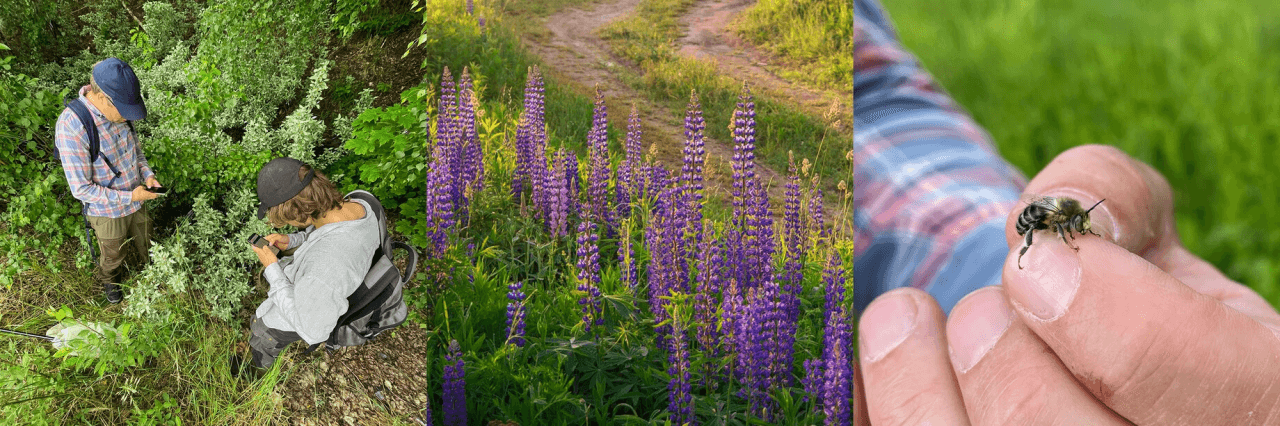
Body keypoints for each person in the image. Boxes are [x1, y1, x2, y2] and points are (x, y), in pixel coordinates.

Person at [853, 0, 1280, 424]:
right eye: (1077, 226)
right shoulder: (1059, 221)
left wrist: (994, 283)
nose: (1078, 230)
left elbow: (873, 100)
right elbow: (1041, 223)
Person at [235, 157, 381, 373]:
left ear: (295, 212)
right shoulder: (362, 202)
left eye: (286, 219)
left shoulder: (326, 264)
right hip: (319, 290)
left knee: (259, 344)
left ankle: (246, 376)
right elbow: (326, 230)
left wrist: (272, 267)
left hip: (282, 323)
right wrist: (292, 240)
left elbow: (312, 331)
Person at [55, 57, 162, 304]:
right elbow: (81, 189)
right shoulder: (72, 126)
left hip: (138, 199)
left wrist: (147, 174)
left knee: (146, 237)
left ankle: (153, 269)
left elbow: (136, 152)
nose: (128, 117)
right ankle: (111, 281)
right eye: (124, 110)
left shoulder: (120, 112)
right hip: (108, 211)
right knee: (113, 254)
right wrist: (130, 196)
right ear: (103, 97)